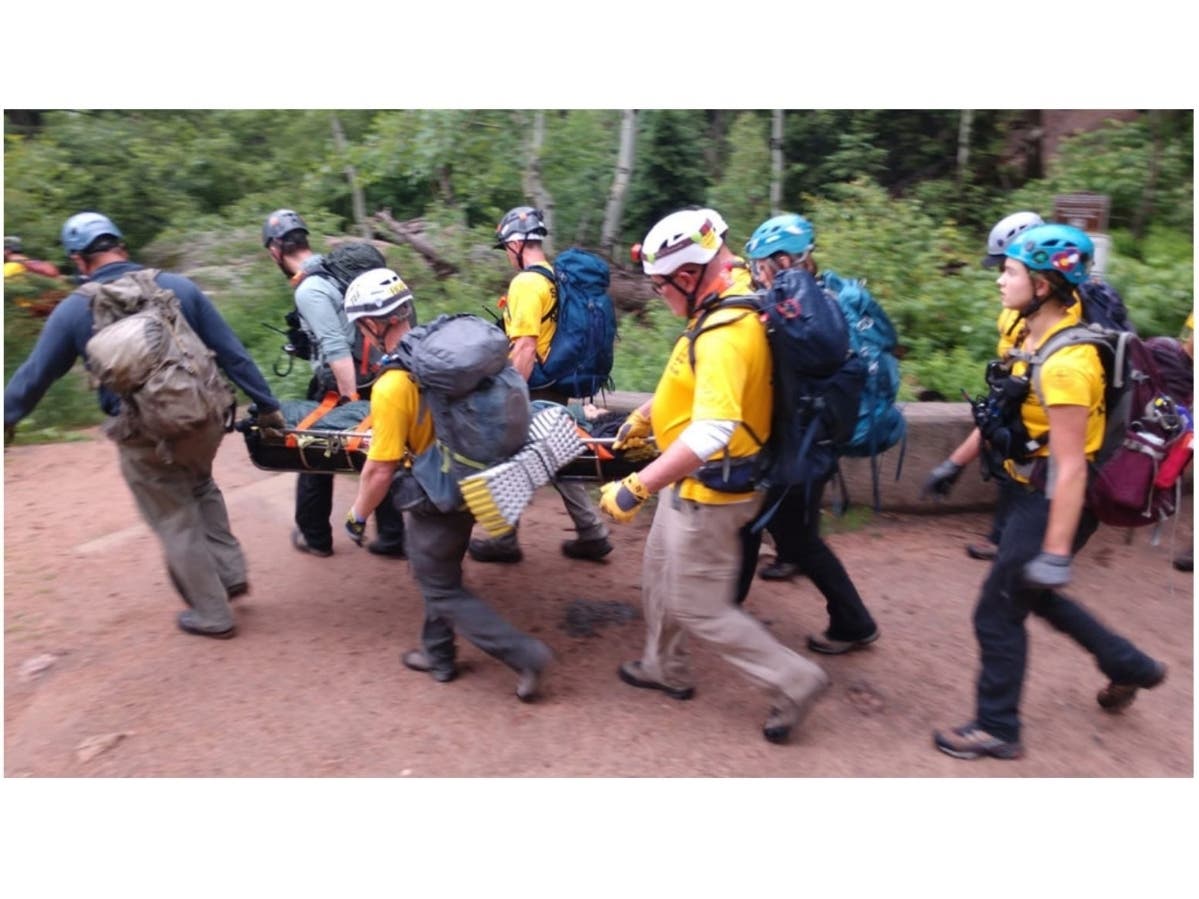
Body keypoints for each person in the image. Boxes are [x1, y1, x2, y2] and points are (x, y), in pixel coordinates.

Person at [931, 223, 1167, 760]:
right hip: (1030, 489)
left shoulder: (1066, 366)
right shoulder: (1029, 333)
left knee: (996, 611)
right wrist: (954, 461)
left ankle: (998, 727)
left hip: (1054, 500)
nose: (999, 281)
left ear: (1042, 286)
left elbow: (1071, 468)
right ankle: (1131, 665)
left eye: (1010, 272)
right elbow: (1003, 410)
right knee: (1029, 595)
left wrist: (1057, 552)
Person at [602, 208, 829, 745]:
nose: (658, 296)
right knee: (659, 567)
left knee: (698, 605)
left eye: (660, 287)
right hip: (690, 484)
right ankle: (664, 666)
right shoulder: (728, 294)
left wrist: (637, 488)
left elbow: (712, 431)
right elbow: (688, 372)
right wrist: (643, 418)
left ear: (688, 276)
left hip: (711, 492)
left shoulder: (727, 332)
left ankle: (795, 680)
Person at [4, 211, 286, 639]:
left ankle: (213, 613)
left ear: (79, 261)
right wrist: (267, 406)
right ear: (121, 246)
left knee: (174, 516)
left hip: (142, 435)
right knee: (201, 484)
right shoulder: (180, 287)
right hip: (203, 419)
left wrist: (7, 418)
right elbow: (233, 354)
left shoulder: (74, 310)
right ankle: (230, 575)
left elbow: (35, 375)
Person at [339, 268, 551, 701]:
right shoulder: (442, 355)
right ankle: (438, 654)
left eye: (361, 325)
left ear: (373, 325)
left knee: (437, 583)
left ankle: (525, 654)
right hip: (479, 471)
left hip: (440, 491)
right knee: (439, 570)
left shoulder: (393, 384)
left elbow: (380, 469)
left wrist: (357, 515)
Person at [737, 212, 881, 654]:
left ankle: (853, 621)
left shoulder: (792, 315)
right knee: (778, 528)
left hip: (799, 448)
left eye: (761, 264)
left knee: (775, 531)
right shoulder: (822, 299)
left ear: (780, 261)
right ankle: (728, 608)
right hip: (815, 441)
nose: (758, 274)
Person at [466, 205, 612, 564]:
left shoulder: (528, 282)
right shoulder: (554, 276)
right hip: (556, 382)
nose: (506, 257)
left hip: (533, 385)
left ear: (517, 243)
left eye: (505, 248)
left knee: (511, 454)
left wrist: (510, 393)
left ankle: (503, 539)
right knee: (554, 453)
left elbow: (526, 345)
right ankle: (591, 532)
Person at [262, 208, 405, 559]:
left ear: (274, 252)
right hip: (380, 371)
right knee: (382, 448)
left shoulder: (309, 288)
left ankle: (315, 537)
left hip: (344, 384)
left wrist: (349, 399)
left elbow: (337, 348)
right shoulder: (340, 270)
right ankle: (392, 537)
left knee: (315, 453)